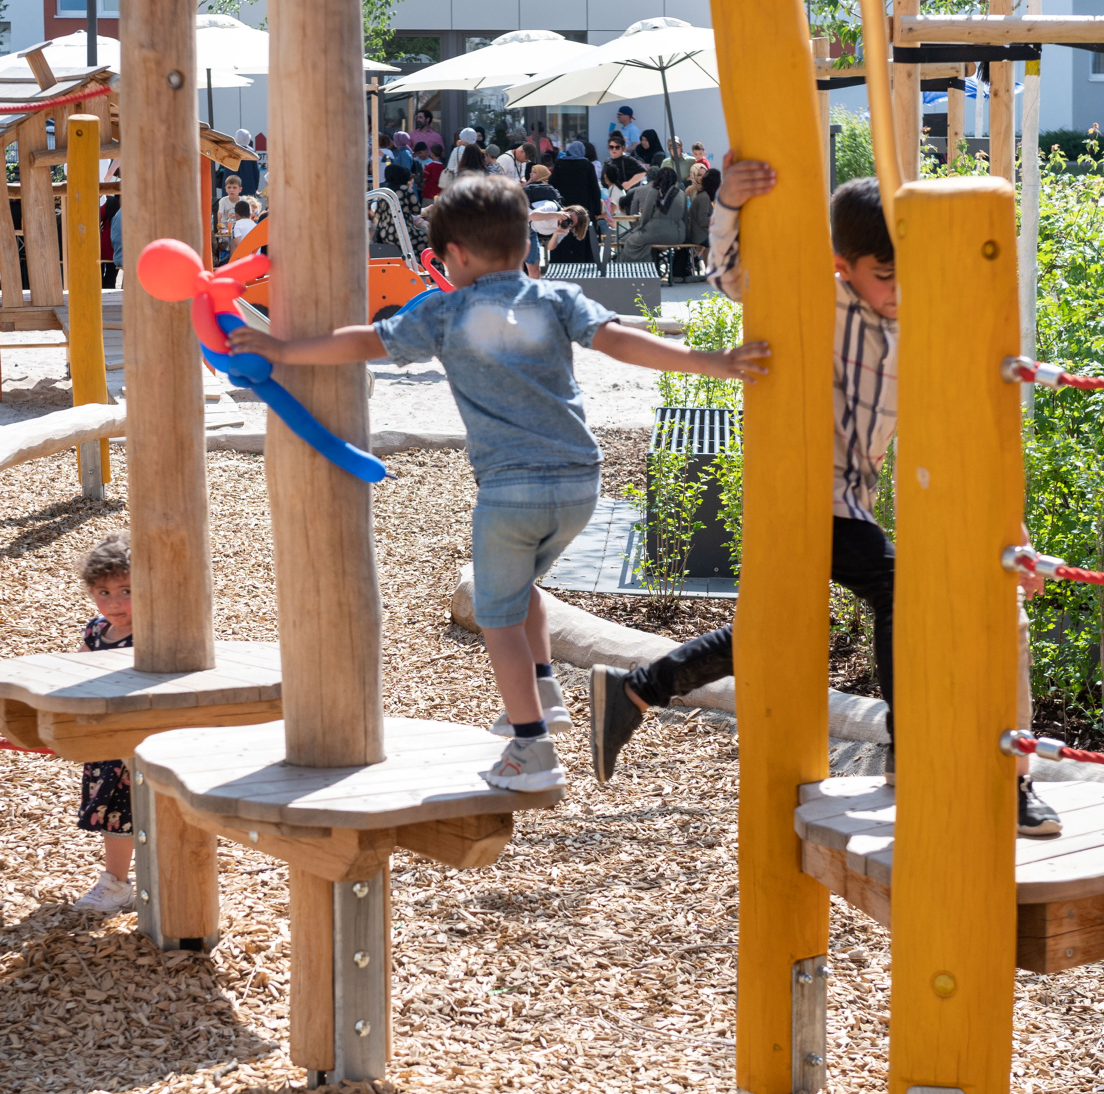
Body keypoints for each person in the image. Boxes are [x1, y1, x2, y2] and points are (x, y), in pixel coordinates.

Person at [228, 175, 769, 790]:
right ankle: (547, 694)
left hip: (511, 490)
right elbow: (621, 342)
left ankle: (531, 748)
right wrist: (710, 362)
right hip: (578, 485)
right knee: (522, 588)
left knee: (497, 617)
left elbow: (365, 342)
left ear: (454, 255)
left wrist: (282, 350)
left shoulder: (444, 310)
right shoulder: (556, 298)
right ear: (526, 246)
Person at [585, 160, 1064, 838]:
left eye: (908, 274)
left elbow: (965, 419)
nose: (897, 291)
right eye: (884, 276)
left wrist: (1009, 522)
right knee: (896, 589)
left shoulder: (916, 317)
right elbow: (730, 274)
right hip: (802, 486)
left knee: (783, 630)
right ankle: (911, 748)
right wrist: (726, 199)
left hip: (848, 496)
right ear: (844, 265)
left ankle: (637, 687)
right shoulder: (816, 293)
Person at [72, 532, 139, 912]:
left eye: (126, 591)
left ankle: (124, 883)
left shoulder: (156, 634)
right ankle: (118, 883)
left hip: (140, 738)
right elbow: (75, 673)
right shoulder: (98, 633)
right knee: (116, 818)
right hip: (107, 741)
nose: (114, 603)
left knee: (143, 814)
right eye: (103, 592)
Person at [618, 164, 688, 263]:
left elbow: (646, 215)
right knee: (645, 243)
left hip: (657, 231)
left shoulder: (655, 192)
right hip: (678, 235)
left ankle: (637, 269)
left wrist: (640, 227)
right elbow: (685, 218)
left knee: (631, 242)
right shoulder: (682, 194)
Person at [549, 141, 603, 218]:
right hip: (583, 207)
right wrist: (597, 210)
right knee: (582, 228)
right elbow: (594, 189)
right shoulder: (587, 165)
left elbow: (552, 183)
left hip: (564, 205)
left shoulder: (560, 163)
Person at [601, 134, 648, 213]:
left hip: (623, 199)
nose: (614, 149)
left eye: (617, 147)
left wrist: (629, 183)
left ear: (623, 148)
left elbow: (643, 172)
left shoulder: (627, 160)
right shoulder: (607, 161)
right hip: (609, 197)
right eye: (611, 147)